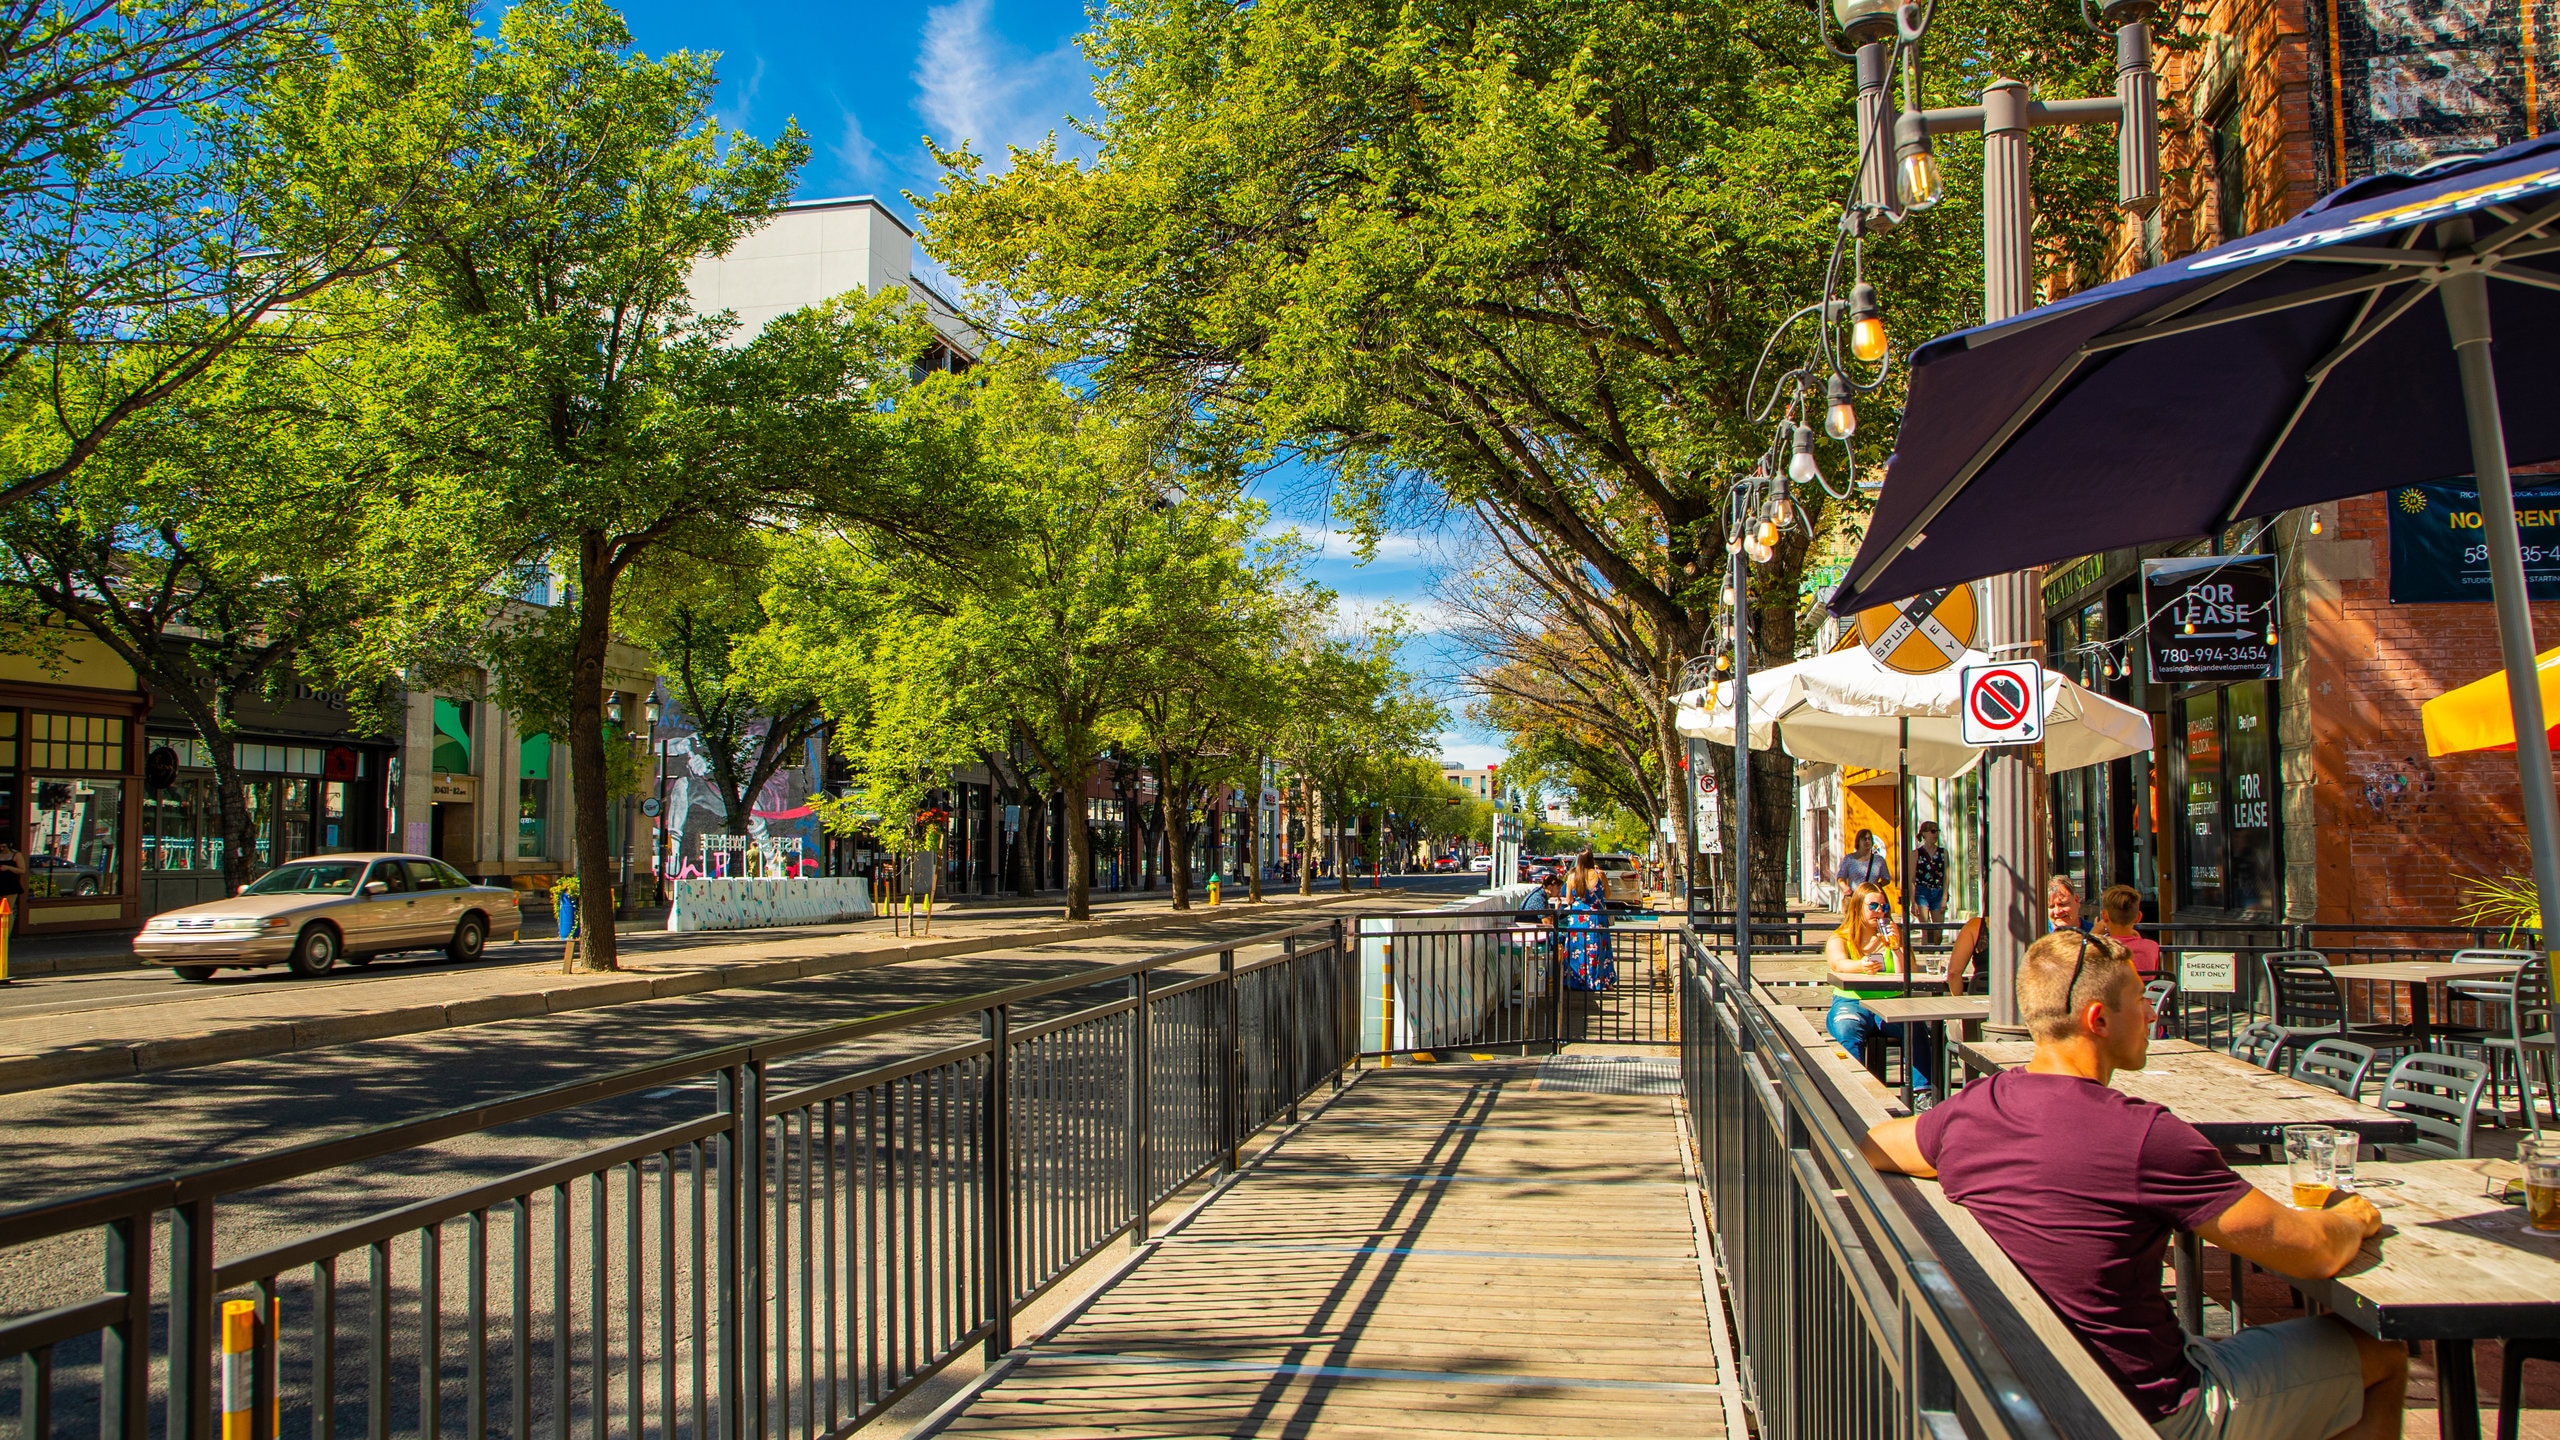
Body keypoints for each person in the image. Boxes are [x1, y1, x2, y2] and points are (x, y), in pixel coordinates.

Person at [1861, 931, 2405, 1440]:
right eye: (2140, 999)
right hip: (2140, 1411)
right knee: (2382, 1357)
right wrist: (2351, 1218)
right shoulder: (2147, 1137)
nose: (2151, 1013)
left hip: (2013, 1390)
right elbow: (2310, 1252)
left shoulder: (1975, 1110)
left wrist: (1981, 1158)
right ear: (2098, 1019)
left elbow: (1875, 1144)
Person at [1824, 882, 1928, 1095]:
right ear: (1858, 907)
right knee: (1847, 1029)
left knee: (1914, 1026)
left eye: (1884, 907)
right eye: (1873, 906)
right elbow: (1838, 963)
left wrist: (1897, 945)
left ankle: (1923, 1091)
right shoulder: (1841, 937)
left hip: (1890, 1001)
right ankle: (1854, 1092)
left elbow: (1905, 972)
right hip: (1852, 1000)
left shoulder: (1890, 937)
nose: (1879, 911)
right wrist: (1860, 966)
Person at [2099, 883, 2163, 980]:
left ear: (2104, 916)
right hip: (2143, 994)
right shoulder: (2152, 947)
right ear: (2138, 917)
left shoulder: (2097, 948)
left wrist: (2093, 934)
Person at [1911, 821, 1949, 925]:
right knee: (1926, 930)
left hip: (1938, 891)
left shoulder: (1943, 853)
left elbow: (1946, 876)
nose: (1936, 834)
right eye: (1933, 831)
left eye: (1937, 831)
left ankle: (1935, 941)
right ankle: (1926, 940)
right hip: (1922, 892)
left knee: (1938, 932)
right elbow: (1912, 880)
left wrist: (1944, 897)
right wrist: (1913, 902)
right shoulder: (1916, 854)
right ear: (1924, 833)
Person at [1836, 828, 1892, 892]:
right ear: (1858, 841)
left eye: (1869, 839)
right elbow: (1841, 877)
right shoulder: (1849, 859)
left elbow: (1886, 879)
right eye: (1864, 839)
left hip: (1872, 897)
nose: (1867, 841)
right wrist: (1844, 887)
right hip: (1854, 897)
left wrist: (1878, 885)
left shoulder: (1879, 860)